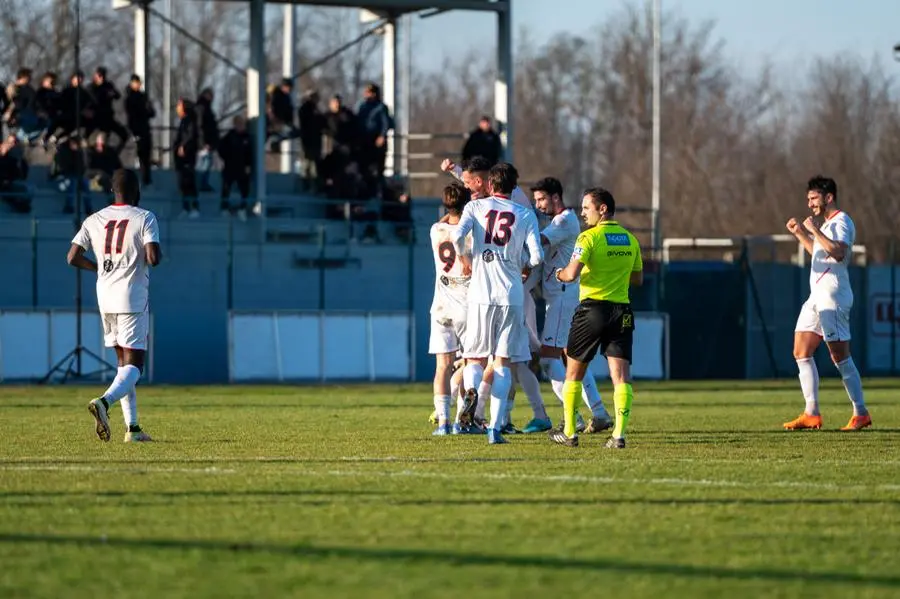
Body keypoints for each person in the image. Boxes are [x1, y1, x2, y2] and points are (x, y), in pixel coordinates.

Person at [440, 156, 547, 432]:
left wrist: (465, 256)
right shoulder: (524, 214)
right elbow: (537, 256)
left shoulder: (475, 206)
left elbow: (455, 236)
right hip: (510, 295)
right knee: (503, 363)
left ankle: (472, 399)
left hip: (479, 294)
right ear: (514, 188)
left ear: (489, 183)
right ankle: (496, 427)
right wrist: (522, 264)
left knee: (474, 359)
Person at [66, 168, 162, 443]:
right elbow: (153, 258)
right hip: (131, 295)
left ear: (112, 191)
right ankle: (104, 403)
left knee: (123, 364)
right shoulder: (145, 217)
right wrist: (154, 253)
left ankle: (132, 429)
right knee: (136, 366)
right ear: (137, 192)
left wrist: (97, 267)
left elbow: (72, 257)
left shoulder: (94, 219)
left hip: (105, 295)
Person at [549, 187, 642, 448]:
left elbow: (571, 274)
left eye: (586, 208)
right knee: (621, 376)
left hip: (592, 311)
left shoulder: (588, 238)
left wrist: (558, 274)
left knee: (574, 373)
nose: (582, 213)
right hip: (621, 311)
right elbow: (637, 278)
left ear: (603, 209)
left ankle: (569, 432)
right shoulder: (631, 239)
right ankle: (619, 435)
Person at [783, 176, 871, 431]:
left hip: (833, 297)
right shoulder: (825, 224)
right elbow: (820, 252)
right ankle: (811, 413)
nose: (810, 204)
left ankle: (861, 412)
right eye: (808, 199)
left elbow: (839, 252)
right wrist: (801, 233)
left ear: (828, 197)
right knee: (801, 350)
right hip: (817, 297)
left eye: (813, 198)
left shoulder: (842, 221)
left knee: (839, 356)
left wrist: (815, 230)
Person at [527, 177, 612, 434]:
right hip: (564, 298)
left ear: (555, 197)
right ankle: (598, 413)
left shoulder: (563, 222)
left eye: (542, 199)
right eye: (536, 201)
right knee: (572, 360)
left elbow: (537, 242)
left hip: (562, 299)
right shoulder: (561, 220)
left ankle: (572, 417)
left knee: (548, 360)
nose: (538, 205)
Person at [428, 182, 472, 435]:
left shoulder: (436, 230)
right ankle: (461, 421)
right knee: (470, 363)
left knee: (442, 366)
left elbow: (447, 218)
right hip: (465, 304)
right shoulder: (471, 232)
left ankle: (443, 422)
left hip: (441, 306)